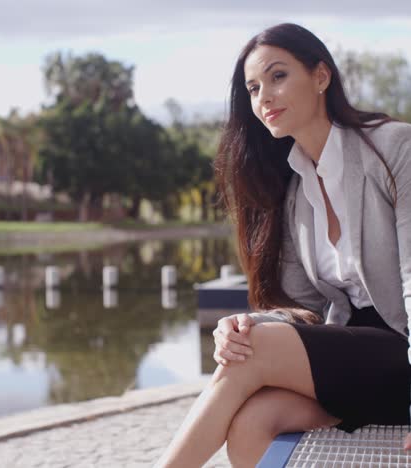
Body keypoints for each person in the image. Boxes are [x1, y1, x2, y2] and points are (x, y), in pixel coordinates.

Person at [155, 22, 411, 467]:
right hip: (356, 356)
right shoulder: (296, 191)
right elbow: (302, 305)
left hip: (401, 349)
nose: (264, 98)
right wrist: (239, 325)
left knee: (258, 351)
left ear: (320, 76)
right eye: (253, 88)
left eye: (277, 76)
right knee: (253, 421)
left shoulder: (394, 148)